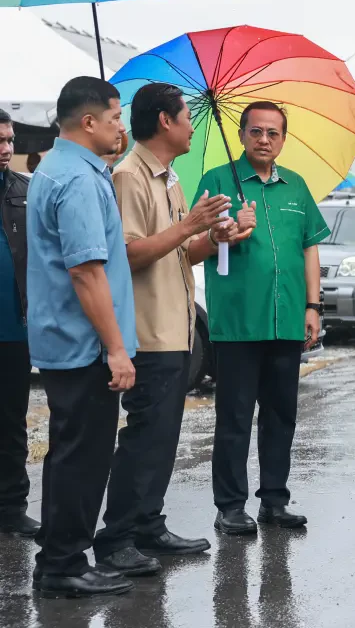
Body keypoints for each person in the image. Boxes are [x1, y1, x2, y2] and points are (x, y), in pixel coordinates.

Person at [93, 84, 235, 575]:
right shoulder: (128, 177)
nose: (193, 126)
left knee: (164, 436)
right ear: (164, 122)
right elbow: (128, 254)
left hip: (178, 330)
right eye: (186, 117)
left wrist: (212, 236)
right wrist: (189, 225)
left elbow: (178, 251)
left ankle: (148, 523)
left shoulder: (170, 179)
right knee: (143, 436)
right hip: (147, 332)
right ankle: (115, 538)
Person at [194, 101, 328, 535]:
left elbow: (310, 247)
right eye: (256, 131)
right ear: (242, 135)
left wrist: (313, 306)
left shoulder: (297, 187)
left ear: (283, 139)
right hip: (237, 323)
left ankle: (274, 500)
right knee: (233, 417)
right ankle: (230, 506)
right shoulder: (217, 181)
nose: (265, 140)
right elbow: (192, 242)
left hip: (286, 320)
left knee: (281, 415)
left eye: (273, 133)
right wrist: (225, 229)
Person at [26, 77, 137, 597]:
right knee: (83, 454)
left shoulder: (61, 168)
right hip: (83, 345)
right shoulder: (78, 179)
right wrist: (116, 348)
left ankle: (62, 555)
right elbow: (87, 272)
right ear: (89, 122)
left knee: (71, 451)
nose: (122, 127)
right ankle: (63, 565)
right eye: (116, 117)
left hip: (65, 340)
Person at [0, 108, 38, 538]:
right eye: (0, 142)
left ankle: (11, 508)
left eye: (10, 140)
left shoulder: (24, 191)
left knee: (12, 422)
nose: (7, 149)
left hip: (14, 328)